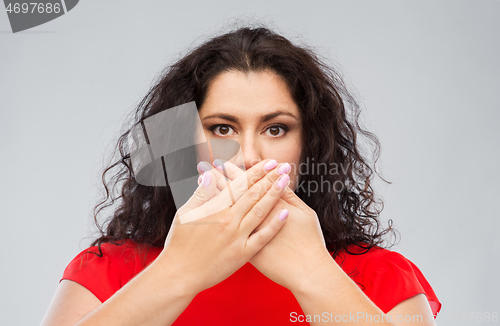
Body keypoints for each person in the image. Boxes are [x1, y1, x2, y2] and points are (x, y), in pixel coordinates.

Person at [41, 25, 442, 326]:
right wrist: (181, 269)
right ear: (182, 143)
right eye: (222, 129)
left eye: (276, 129)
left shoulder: (380, 277)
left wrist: (314, 273)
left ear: (311, 144)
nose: (248, 158)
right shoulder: (108, 272)